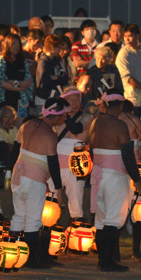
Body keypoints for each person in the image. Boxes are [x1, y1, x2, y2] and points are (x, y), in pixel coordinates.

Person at [87, 90, 141, 272]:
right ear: (120, 105)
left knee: (101, 220)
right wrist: (137, 179)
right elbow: (128, 155)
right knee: (112, 219)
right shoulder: (119, 125)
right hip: (114, 175)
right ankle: (107, 261)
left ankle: (103, 260)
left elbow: (91, 150)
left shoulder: (95, 122)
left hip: (98, 174)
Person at [9, 97, 70, 268]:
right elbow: (53, 164)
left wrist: (9, 173)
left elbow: (15, 151)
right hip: (33, 180)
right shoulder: (49, 135)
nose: (65, 118)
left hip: (17, 176)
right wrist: (58, 188)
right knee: (33, 220)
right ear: (57, 116)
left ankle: (12, 255)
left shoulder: (26, 125)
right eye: (64, 115)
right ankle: (30, 260)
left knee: (19, 216)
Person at [49, 86, 93, 224]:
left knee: (76, 201)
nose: (75, 103)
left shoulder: (87, 117)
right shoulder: (57, 118)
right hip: (55, 164)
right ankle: (46, 229)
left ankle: (77, 228)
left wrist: (65, 114)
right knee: (50, 200)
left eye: (77, 99)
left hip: (77, 165)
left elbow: (76, 129)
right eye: (71, 100)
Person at [115, 24, 141, 116]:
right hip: (131, 99)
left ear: (137, 36)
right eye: (125, 36)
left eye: (130, 36)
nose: (127, 39)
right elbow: (127, 78)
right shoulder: (123, 54)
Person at [0, 33, 34, 119]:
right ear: (7, 45)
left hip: (22, 99)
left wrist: (14, 82)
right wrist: (18, 88)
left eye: (18, 44)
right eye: (13, 44)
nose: (16, 47)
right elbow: (1, 82)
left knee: (20, 123)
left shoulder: (23, 61)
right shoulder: (1, 61)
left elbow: (28, 81)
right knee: (6, 122)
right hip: (5, 99)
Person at [35, 34, 70, 106]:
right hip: (44, 98)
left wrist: (55, 77)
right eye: (58, 48)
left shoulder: (57, 61)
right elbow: (44, 79)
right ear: (51, 48)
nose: (60, 50)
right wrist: (58, 78)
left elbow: (65, 79)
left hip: (55, 96)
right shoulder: (43, 62)